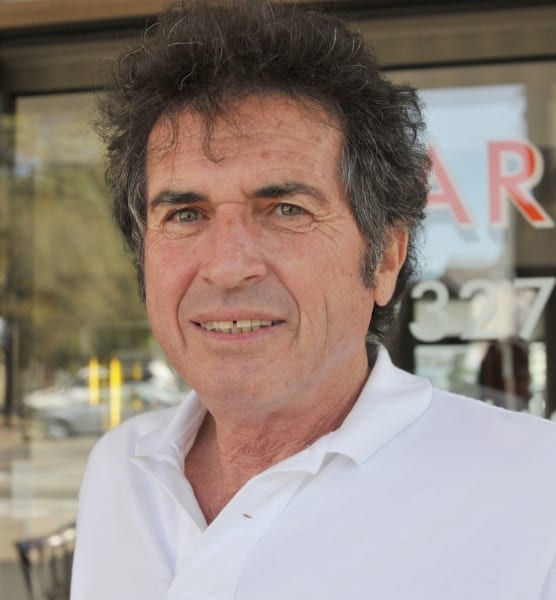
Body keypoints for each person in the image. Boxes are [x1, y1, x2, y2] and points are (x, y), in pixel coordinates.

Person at [71, 1, 556, 598]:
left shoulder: (538, 491)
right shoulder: (121, 469)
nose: (228, 266)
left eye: (286, 209)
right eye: (186, 214)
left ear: (385, 257)